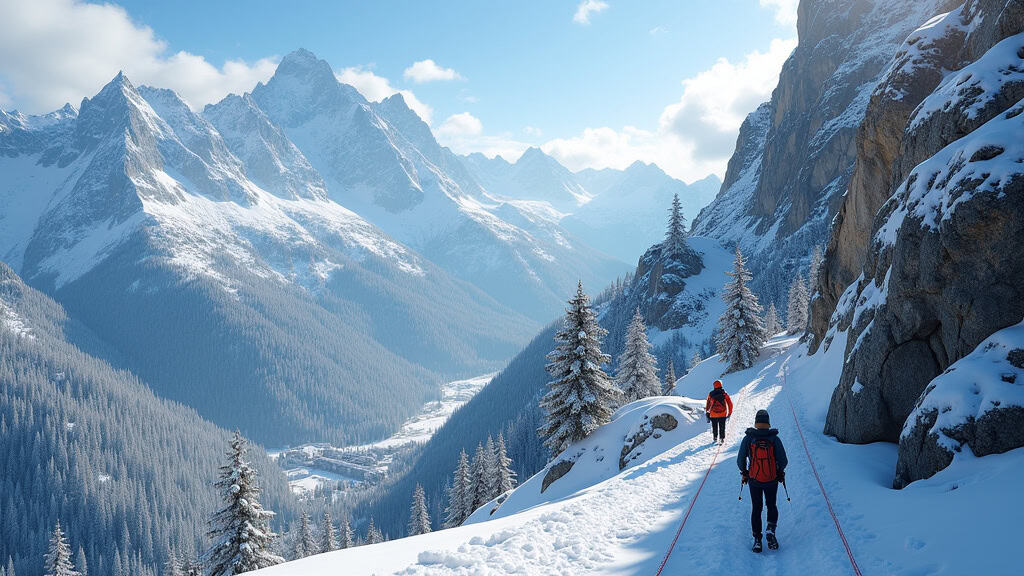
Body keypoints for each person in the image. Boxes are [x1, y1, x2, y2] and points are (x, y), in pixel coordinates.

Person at [737, 409, 788, 553]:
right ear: (768, 422)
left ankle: (757, 540)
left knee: (756, 507)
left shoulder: (749, 438)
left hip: (754, 479)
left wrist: (745, 472)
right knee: (771, 505)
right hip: (771, 479)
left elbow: (740, 459)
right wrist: (779, 472)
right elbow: (784, 460)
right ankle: (771, 529)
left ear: (756, 422)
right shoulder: (774, 438)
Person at [704, 379, 733, 444]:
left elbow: (708, 403)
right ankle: (722, 438)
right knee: (722, 426)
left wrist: (707, 412)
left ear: (714, 386)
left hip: (713, 414)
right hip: (723, 413)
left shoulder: (711, 394)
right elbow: (730, 403)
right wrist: (729, 412)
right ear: (721, 385)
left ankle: (715, 437)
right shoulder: (724, 393)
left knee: (714, 426)